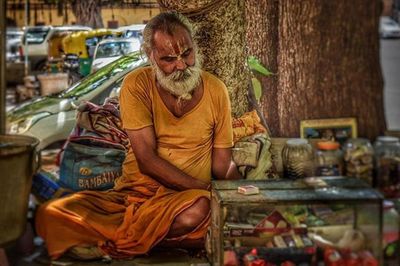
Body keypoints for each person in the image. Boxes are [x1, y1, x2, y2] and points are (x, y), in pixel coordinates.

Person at [35, 11, 241, 260]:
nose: (181, 65)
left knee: (200, 210)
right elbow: (146, 159)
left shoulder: (216, 90)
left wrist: (245, 195)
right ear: (150, 56)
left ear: (195, 46)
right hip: (133, 198)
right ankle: (154, 239)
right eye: (168, 58)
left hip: (185, 201)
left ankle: (118, 241)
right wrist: (208, 190)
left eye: (187, 53)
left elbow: (222, 165)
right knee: (52, 213)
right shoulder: (136, 84)